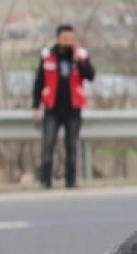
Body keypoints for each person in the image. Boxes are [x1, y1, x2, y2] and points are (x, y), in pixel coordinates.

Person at [31, 24, 95, 189]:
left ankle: (71, 181)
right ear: (58, 38)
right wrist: (35, 104)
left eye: (70, 38)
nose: (67, 41)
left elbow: (90, 75)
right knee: (48, 145)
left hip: (73, 108)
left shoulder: (80, 55)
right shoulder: (48, 56)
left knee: (72, 146)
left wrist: (77, 60)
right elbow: (39, 80)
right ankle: (45, 181)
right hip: (52, 108)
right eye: (64, 38)